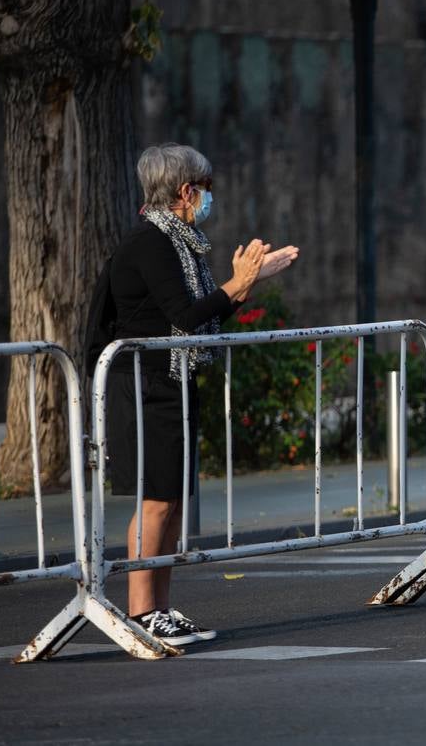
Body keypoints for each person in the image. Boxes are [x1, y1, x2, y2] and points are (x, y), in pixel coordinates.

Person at [103, 143, 298, 644]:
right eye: (205, 189)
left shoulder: (180, 242)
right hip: (146, 383)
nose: (210, 198)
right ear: (187, 192)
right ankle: (142, 612)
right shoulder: (151, 242)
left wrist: (245, 284)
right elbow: (185, 317)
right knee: (156, 501)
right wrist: (237, 283)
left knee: (172, 501)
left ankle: (161, 607)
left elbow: (203, 316)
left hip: (172, 379)